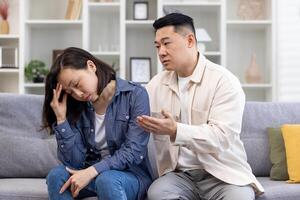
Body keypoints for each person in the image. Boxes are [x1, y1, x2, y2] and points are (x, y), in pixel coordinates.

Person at [137, 13, 264, 200]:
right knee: (158, 193)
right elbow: (133, 109)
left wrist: (175, 130)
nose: (161, 52)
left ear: (190, 40)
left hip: (223, 176)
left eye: (166, 43)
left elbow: (221, 137)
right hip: (179, 176)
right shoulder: (156, 84)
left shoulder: (224, 81)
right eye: (157, 46)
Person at [43, 47, 153, 200]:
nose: (78, 94)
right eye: (70, 92)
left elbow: (134, 150)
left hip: (129, 176)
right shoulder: (77, 107)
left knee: (106, 180)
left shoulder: (135, 94)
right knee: (56, 176)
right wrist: (62, 120)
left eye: (76, 83)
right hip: (90, 174)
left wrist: (92, 171)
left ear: (91, 66)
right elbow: (73, 162)